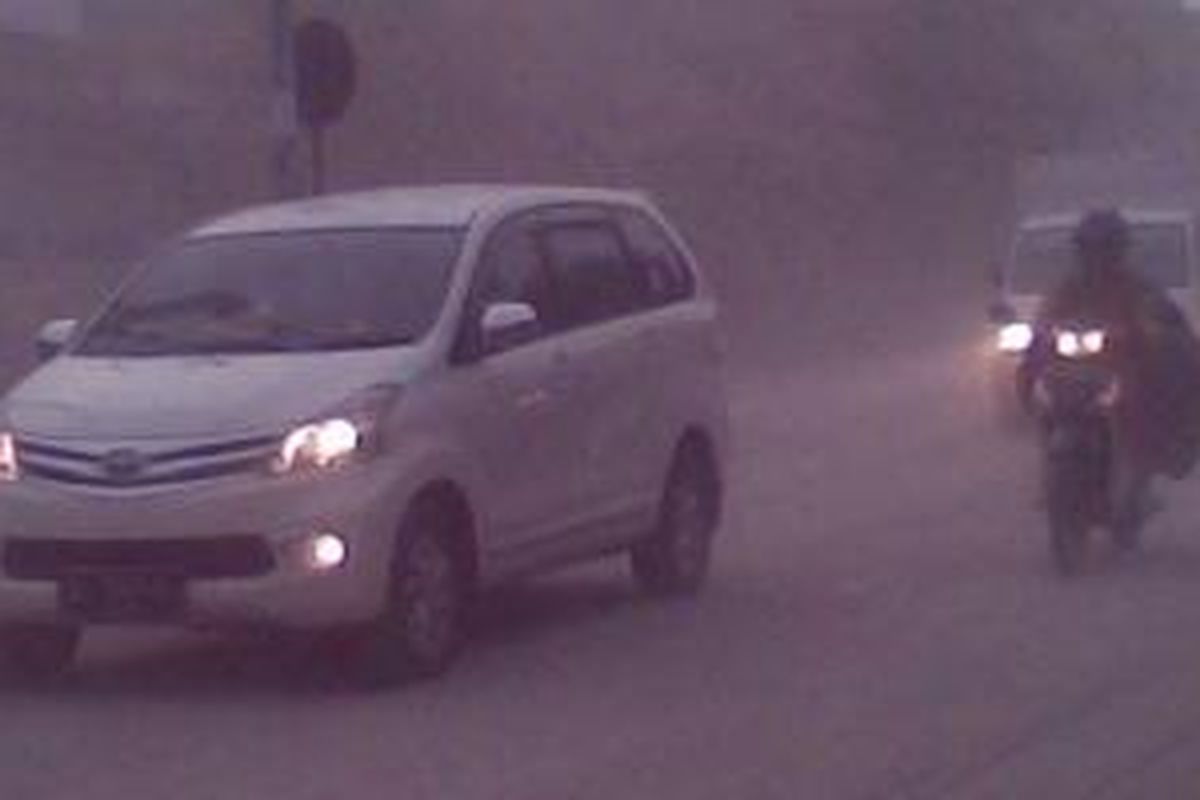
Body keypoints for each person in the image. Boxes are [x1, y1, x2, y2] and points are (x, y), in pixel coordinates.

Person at [1020, 209, 1200, 528]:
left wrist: (1152, 334)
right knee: (1041, 394)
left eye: (1105, 248)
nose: (1097, 256)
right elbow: (1044, 323)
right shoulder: (1067, 288)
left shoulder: (1138, 287)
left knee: (1151, 400)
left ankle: (1141, 470)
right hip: (1074, 373)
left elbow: (1165, 323)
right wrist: (1036, 347)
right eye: (1091, 248)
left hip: (1124, 370)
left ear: (1119, 250)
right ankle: (1051, 476)